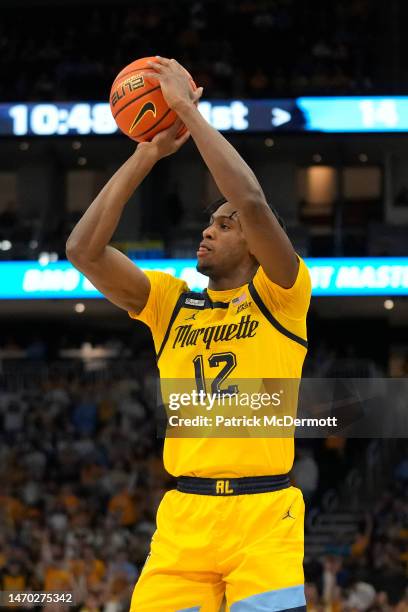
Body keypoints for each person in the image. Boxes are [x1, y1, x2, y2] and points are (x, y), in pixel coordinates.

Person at [66, 56, 312, 611]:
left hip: (264, 514)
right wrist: (146, 153)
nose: (209, 229)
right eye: (208, 222)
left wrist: (186, 112)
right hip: (183, 517)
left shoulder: (282, 294)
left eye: (225, 226)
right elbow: (83, 251)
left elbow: (250, 200)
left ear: (255, 243)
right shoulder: (170, 305)